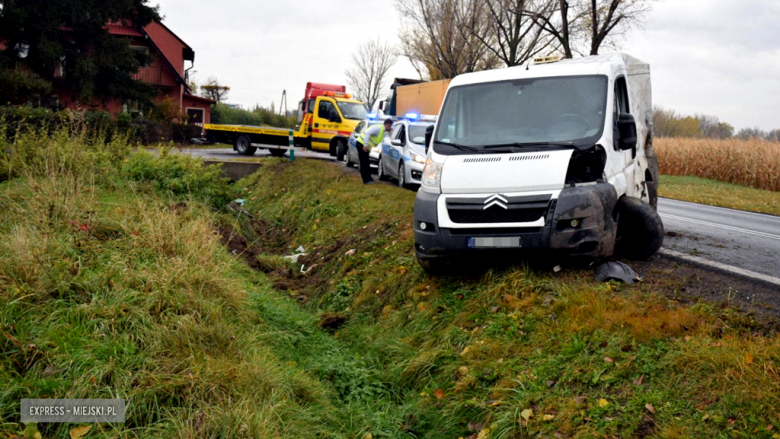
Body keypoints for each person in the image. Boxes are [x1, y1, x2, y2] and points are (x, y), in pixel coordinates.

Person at [356, 118, 393, 184]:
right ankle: (366, 180)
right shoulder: (378, 128)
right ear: (387, 125)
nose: (391, 128)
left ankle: (369, 179)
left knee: (366, 162)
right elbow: (367, 133)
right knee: (364, 163)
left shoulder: (383, 132)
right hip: (361, 144)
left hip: (365, 146)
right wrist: (366, 144)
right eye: (390, 126)